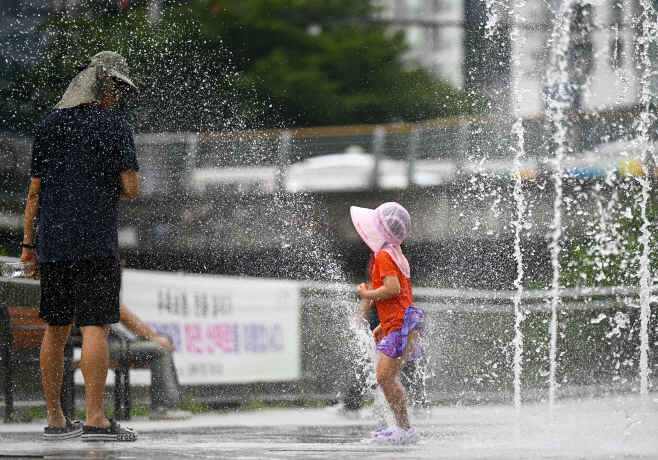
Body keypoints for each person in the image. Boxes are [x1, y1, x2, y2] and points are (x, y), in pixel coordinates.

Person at [20, 51, 140, 442]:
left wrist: (28, 246)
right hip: (95, 242)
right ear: (106, 86)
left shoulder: (48, 125)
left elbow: (35, 193)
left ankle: (56, 418)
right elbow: (132, 189)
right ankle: (95, 419)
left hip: (52, 244)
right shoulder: (115, 127)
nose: (119, 97)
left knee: (55, 329)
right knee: (95, 328)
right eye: (118, 88)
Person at [350, 202, 424, 445]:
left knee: (385, 378)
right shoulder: (395, 253)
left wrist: (366, 294)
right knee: (387, 377)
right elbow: (403, 296)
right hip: (402, 324)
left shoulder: (383, 255)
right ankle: (403, 427)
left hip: (401, 327)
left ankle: (405, 429)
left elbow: (392, 289)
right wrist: (385, 323)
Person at [113, 300, 192, 420]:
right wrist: (152, 337)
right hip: (107, 343)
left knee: (162, 343)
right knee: (160, 350)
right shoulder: (100, 283)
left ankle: (168, 403)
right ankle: (164, 406)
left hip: (113, 341)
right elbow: (124, 316)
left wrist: (153, 337)